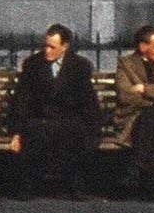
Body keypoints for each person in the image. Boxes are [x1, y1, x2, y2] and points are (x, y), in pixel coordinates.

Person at [6, 23, 101, 199]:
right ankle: (27, 188)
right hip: (40, 118)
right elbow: (22, 99)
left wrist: (93, 129)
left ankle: (76, 187)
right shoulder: (33, 64)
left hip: (68, 119)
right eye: (46, 46)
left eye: (52, 47)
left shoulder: (79, 66)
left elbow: (87, 100)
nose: (47, 51)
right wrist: (16, 131)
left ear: (64, 47)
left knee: (72, 133)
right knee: (37, 132)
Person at [113, 24, 154, 201]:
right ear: (143, 47)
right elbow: (125, 95)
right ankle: (151, 184)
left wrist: (143, 88)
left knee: (151, 117)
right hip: (134, 119)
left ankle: (135, 172)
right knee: (150, 117)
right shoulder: (126, 63)